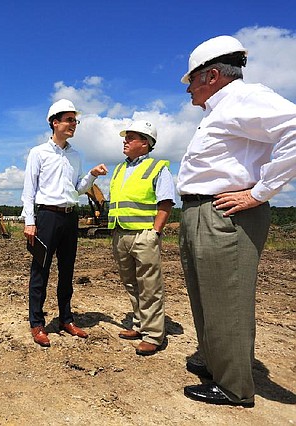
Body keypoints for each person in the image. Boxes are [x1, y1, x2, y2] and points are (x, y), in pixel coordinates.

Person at [178, 35, 296, 407]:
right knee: (206, 296)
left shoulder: (245, 98)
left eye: (192, 80)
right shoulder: (221, 108)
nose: (189, 90)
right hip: (202, 211)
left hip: (225, 214)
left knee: (227, 298)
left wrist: (259, 193)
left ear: (212, 75)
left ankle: (233, 387)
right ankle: (216, 361)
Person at [21, 99, 108, 347]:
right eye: (69, 120)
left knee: (67, 272)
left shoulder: (75, 155)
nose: (73, 125)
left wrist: (91, 175)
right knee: (40, 271)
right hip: (46, 217)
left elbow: (78, 189)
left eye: (75, 120)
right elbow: (29, 190)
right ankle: (37, 323)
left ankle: (65, 319)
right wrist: (30, 221)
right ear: (54, 122)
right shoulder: (38, 153)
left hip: (70, 217)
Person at [107, 120, 175, 356]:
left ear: (145, 143)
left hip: (143, 235)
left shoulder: (158, 168)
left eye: (131, 137)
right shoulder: (119, 169)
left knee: (149, 286)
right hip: (120, 234)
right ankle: (139, 325)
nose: (125, 141)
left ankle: (153, 335)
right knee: (131, 283)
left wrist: (155, 232)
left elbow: (165, 202)